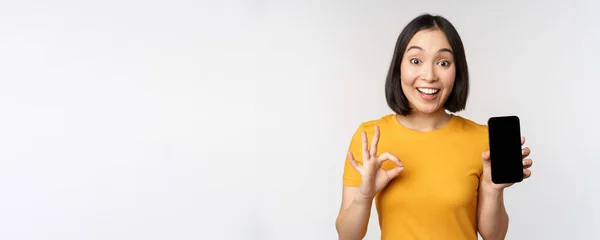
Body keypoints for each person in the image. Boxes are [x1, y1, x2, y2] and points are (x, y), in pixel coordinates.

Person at [334, 13, 534, 240]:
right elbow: (347, 236)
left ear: (457, 71)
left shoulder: (481, 139)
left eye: (443, 63)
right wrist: (365, 194)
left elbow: (494, 236)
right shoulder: (371, 137)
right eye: (416, 61)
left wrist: (491, 189)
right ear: (399, 66)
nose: (429, 76)